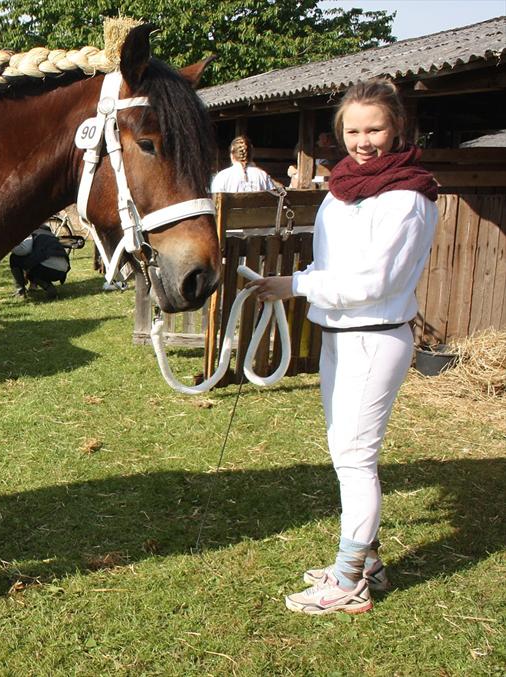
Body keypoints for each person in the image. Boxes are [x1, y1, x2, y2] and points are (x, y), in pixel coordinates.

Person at [247, 78, 439, 615]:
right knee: (346, 455)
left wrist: (297, 286)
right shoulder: (344, 188)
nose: (363, 140)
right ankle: (366, 559)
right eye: (352, 130)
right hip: (341, 336)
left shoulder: (407, 196)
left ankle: (350, 578)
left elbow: (373, 284)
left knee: (355, 459)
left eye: (374, 128)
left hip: (373, 339)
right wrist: (300, 278)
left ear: (397, 127)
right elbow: (335, 266)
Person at [10, 222, 69, 298]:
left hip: (48, 268)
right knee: (35, 260)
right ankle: (38, 286)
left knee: (14, 258)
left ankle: (20, 291)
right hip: (62, 271)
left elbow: (24, 250)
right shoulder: (49, 234)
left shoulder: (31, 233)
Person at [210, 136, 276, 193]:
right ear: (251, 155)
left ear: (232, 155)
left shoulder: (221, 177)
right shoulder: (263, 176)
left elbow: (215, 203)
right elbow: (274, 199)